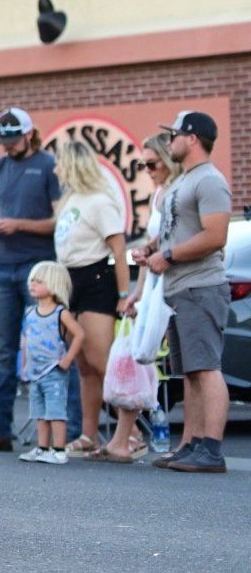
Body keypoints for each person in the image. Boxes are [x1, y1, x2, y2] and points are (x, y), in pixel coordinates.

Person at [124, 111, 233, 473]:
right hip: (180, 290)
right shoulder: (185, 181)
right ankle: (192, 444)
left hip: (201, 287)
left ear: (193, 139)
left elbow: (215, 236)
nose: (169, 142)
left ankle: (211, 451)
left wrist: (167, 256)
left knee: (207, 368)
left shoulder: (209, 181)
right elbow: (177, 230)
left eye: (175, 135)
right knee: (190, 372)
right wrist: (152, 248)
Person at [0, 107, 62, 452]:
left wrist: (19, 224)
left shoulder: (48, 165)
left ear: (28, 134)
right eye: (2, 141)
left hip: (38, 267)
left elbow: (59, 220)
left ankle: (56, 435)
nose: (6, 146)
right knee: (3, 351)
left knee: (47, 349)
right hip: (2, 266)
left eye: (12, 140)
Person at [94, 131, 177, 462]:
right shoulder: (158, 194)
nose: (147, 169)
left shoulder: (177, 192)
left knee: (162, 366)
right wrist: (137, 293)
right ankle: (125, 438)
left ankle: (140, 437)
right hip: (154, 288)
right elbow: (149, 247)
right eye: (143, 164)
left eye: (152, 162)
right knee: (138, 362)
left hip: (174, 287)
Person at [50, 139, 131, 457]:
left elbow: (119, 249)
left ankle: (131, 432)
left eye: (59, 163)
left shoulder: (100, 201)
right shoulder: (70, 199)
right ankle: (88, 434)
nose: (55, 169)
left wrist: (123, 295)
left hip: (96, 279)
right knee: (83, 365)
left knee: (102, 361)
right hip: (70, 284)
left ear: (71, 164)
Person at [18, 262, 81, 464]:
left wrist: (68, 358)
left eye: (39, 281)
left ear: (54, 285)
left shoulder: (60, 313)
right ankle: (42, 448)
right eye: (32, 281)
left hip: (54, 370)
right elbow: (26, 341)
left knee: (55, 411)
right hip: (34, 372)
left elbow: (79, 334)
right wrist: (24, 366)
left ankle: (59, 450)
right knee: (39, 413)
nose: (32, 284)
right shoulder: (29, 313)